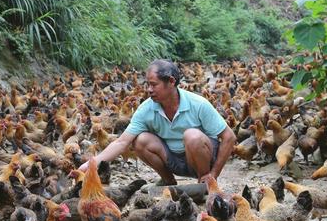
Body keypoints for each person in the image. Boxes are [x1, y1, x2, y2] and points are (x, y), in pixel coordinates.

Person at [79, 59, 236, 184]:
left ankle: (205, 180)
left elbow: (229, 137)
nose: (149, 89)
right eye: (148, 84)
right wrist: (91, 164)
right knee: (139, 140)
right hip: (173, 160)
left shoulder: (198, 104)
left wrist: (214, 174)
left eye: (154, 84)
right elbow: (121, 143)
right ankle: (168, 180)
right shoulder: (146, 109)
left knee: (192, 136)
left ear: (171, 82)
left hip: (202, 158)